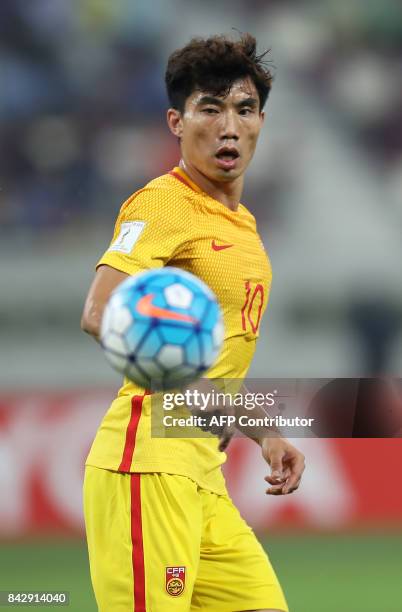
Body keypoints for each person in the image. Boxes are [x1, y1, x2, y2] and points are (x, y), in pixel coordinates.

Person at [81, 33, 305, 612]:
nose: (229, 125)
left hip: (203, 473)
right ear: (177, 123)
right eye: (210, 108)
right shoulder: (160, 204)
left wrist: (264, 432)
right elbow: (101, 312)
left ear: (260, 123)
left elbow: (213, 368)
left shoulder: (244, 226)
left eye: (245, 109)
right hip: (147, 468)